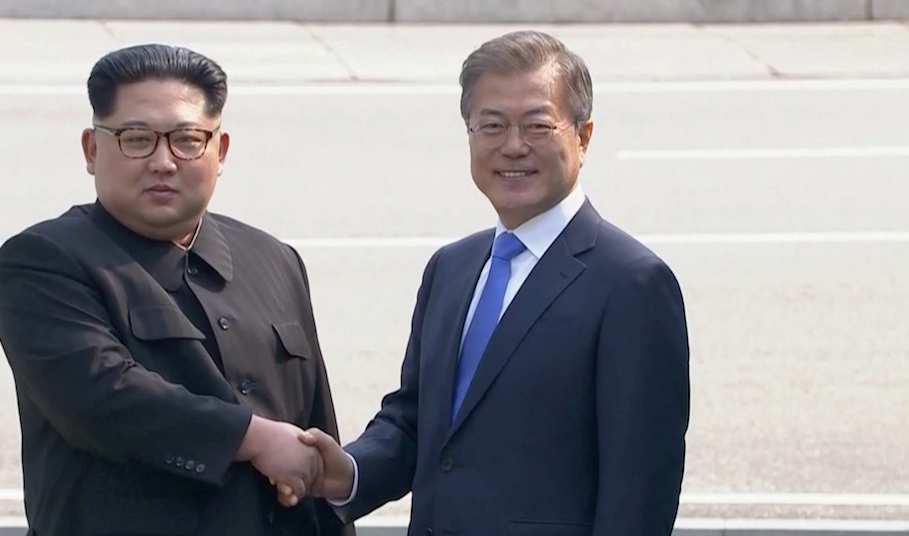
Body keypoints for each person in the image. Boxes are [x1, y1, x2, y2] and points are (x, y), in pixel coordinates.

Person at [286, 30, 692, 535]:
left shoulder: (632, 284)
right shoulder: (451, 269)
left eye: (538, 125)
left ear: (583, 137)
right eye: (492, 125)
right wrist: (347, 471)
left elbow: (638, 496)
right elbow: (417, 423)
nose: (514, 146)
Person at [0, 43, 354, 536]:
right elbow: (105, 397)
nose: (163, 161)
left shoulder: (274, 259)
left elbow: (315, 433)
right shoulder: (45, 261)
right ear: (92, 150)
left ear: (219, 151)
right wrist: (253, 438)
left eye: (187, 140)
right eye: (137, 138)